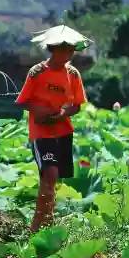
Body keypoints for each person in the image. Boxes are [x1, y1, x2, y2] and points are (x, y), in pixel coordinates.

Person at [16, 41, 87, 232]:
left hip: (63, 130)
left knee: (51, 180)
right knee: (50, 173)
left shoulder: (73, 74)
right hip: (41, 131)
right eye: (66, 49)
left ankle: (42, 224)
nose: (70, 53)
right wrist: (40, 111)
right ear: (54, 49)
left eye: (72, 50)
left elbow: (77, 105)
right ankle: (40, 224)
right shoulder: (37, 71)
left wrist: (63, 113)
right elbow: (23, 101)